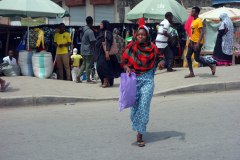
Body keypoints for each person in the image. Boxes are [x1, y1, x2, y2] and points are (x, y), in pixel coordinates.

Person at [121, 20, 165, 147]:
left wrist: (161, 62)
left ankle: (140, 135)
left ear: (147, 36)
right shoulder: (131, 47)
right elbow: (123, 62)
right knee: (134, 109)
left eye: (143, 35)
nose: (141, 36)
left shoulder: (152, 47)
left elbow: (160, 57)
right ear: (136, 35)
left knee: (144, 106)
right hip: (134, 80)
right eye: (139, 34)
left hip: (148, 80)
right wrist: (126, 68)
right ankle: (138, 124)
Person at [185, 7, 216, 78]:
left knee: (197, 59)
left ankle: (211, 65)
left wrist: (198, 43)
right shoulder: (193, 21)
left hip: (197, 43)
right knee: (188, 57)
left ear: (196, 13)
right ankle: (191, 73)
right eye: (191, 11)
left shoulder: (199, 21)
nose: (191, 12)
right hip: (192, 41)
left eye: (193, 11)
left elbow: (202, 33)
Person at [95, 20, 122, 88]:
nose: (100, 25)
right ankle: (107, 82)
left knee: (101, 67)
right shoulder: (101, 33)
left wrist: (107, 53)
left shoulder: (108, 33)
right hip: (100, 53)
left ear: (105, 25)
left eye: (101, 24)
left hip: (105, 53)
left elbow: (109, 42)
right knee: (105, 67)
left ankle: (106, 80)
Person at [76, 16, 96, 84]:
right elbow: (92, 41)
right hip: (89, 50)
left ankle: (78, 76)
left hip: (82, 48)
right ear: (91, 22)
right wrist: (95, 49)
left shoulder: (82, 29)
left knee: (84, 63)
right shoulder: (90, 31)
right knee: (88, 64)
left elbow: (81, 39)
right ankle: (88, 80)